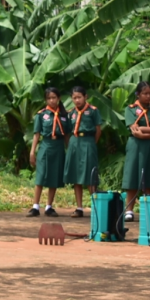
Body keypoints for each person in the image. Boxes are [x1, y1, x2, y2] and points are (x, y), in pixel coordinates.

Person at [123, 80, 150, 222]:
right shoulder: (131, 109)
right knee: (133, 175)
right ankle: (129, 210)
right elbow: (133, 129)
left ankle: (148, 209)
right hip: (136, 145)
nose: (148, 96)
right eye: (145, 93)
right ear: (138, 94)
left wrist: (145, 132)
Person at [27, 87, 67, 217]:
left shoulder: (64, 115)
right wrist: (32, 152)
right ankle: (35, 206)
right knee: (41, 175)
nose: (52, 100)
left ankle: (49, 206)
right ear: (45, 100)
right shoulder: (41, 115)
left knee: (54, 176)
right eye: (49, 98)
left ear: (58, 98)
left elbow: (67, 135)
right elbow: (36, 134)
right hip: (46, 145)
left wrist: (70, 150)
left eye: (54, 98)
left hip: (59, 146)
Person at [64, 86, 102, 218]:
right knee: (76, 176)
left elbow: (98, 130)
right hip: (74, 143)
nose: (77, 100)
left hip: (88, 141)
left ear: (85, 97)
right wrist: (71, 145)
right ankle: (79, 208)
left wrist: (91, 143)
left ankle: (95, 207)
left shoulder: (93, 111)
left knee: (90, 175)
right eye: (74, 98)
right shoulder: (71, 113)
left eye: (79, 97)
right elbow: (67, 132)